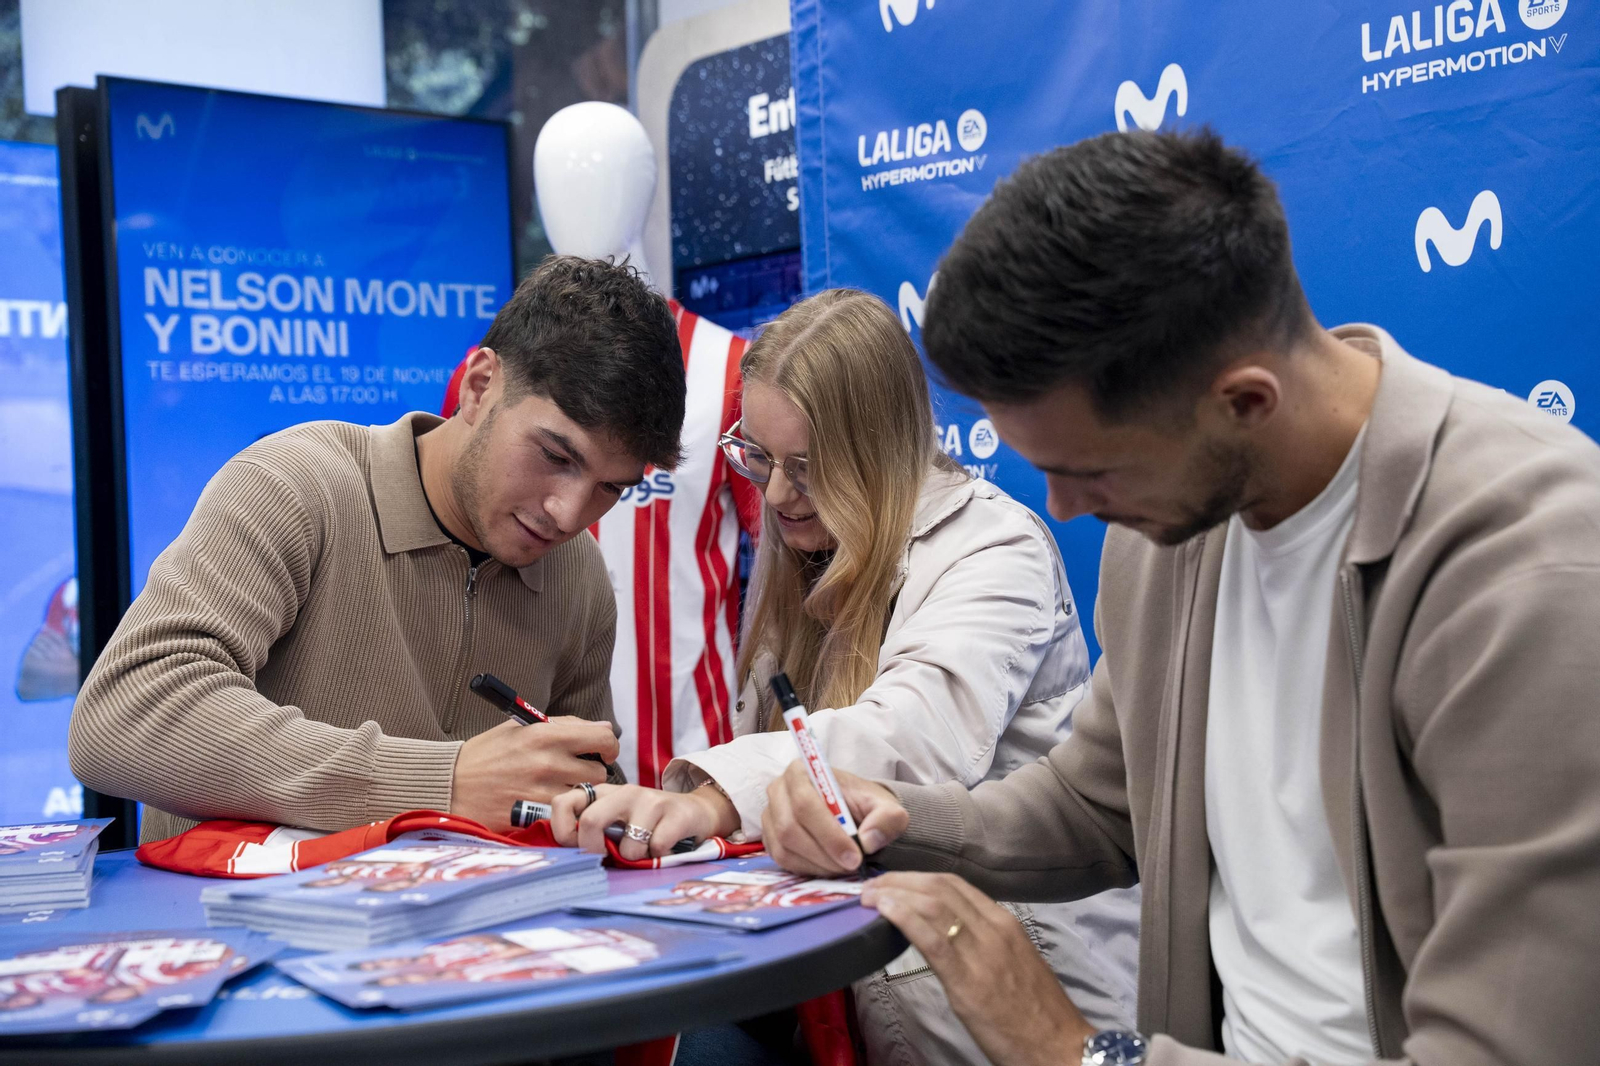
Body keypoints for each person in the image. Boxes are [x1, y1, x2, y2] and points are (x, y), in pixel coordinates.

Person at [761, 129, 1600, 1066]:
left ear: (1245, 401)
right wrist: (903, 818)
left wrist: (1076, 1052)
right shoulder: (1169, 532)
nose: (1068, 510)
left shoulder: (1526, 569)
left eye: (1093, 471)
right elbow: (1100, 802)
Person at [550, 289, 1141, 1063]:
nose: (777, 494)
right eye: (758, 457)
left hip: (1009, 1004)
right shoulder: (806, 548)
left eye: (808, 466)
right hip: (859, 989)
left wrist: (720, 798)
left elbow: (912, 733)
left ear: (882, 448)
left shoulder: (996, 551)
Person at [70, 256, 686, 844]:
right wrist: (440, 783)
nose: (569, 513)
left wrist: (604, 809)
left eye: (610, 487)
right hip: (231, 930)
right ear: (479, 388)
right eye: (555, 456)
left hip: (459, 939)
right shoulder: (295, 484)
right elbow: (122, 717)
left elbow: (579, 788)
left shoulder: (577, 577)